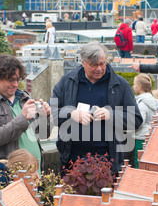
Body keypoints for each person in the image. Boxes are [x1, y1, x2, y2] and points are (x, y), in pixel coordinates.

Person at [51, 41, 143, 174]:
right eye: (93, 65)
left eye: (102, 64)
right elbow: (52, 113)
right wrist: (71, 114)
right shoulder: (67, 82)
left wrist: (110, 115)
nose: (99, 68)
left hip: (108, 160)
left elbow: (136, 120)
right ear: (83, 63)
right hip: (72, 159)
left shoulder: (120, 85)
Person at [0, 54, 52, 174]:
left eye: (17, 79)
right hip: (4, 177)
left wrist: (46, 117)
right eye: (10, 79)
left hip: (35, 176)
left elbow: (44, 134)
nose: (15, 84)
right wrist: (23, 119)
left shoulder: (24, 98)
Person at [133, 74, 158, 168]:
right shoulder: (151, 100)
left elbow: (139, 122)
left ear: (139, 87)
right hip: (148, 134)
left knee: (138, 161)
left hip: (140, 136)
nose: (133, 86)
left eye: (135, 84)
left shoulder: (142, 104)